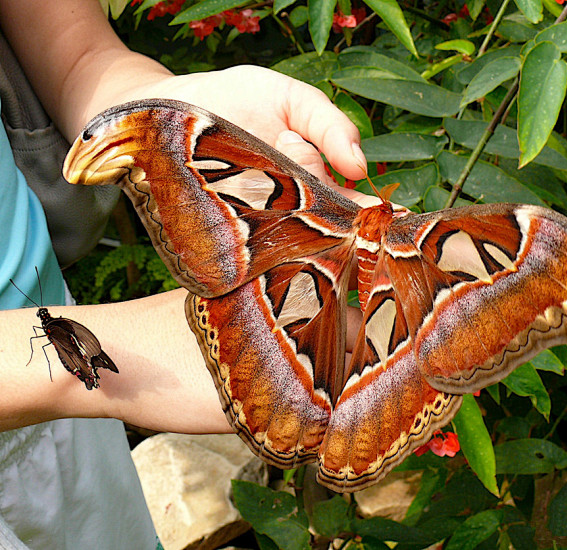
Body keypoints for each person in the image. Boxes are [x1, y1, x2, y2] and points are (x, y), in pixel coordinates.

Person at [0, 1, 367, 547]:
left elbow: (77, 51)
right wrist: (106, 357)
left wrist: (161, 122)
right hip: (83, 379)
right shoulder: (84, 365)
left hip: (71, 412)